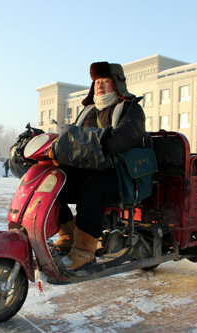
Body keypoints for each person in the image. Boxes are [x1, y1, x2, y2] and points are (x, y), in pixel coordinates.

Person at [54, 61, 146, 270]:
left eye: (105, 81)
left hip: (120, 176)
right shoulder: (87, 111)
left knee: (91, 189)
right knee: (52, 181)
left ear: (117, 84)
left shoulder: (131, 110)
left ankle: (84, 252)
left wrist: (81, 142)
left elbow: (117, 141)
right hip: (87, 171)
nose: (100, 85)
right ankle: (68, 236)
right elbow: (71, 141)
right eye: (96, 81)